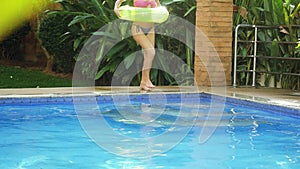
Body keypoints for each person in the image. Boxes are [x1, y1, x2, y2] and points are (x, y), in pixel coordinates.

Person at [114, 0, 161, 91]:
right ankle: (143, 81)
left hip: (151, 28)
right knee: (151, 52)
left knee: (148, 55)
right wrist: (116, 8)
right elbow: (118, 1)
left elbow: (159, 8)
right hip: (138, 27)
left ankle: (146, 80)